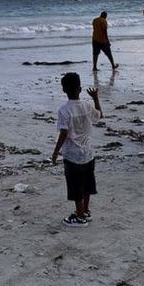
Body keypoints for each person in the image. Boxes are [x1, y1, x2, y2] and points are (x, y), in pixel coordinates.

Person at [51, 72, 102, 228]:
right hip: (88, 153)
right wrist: (95, 98)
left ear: (63, 90)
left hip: (72, 155)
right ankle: (85, 211)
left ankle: (79, 217)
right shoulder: (86, 106)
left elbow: (64, 133)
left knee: (75, 186)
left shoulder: (64, 110)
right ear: (80, 89)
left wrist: (55, 152)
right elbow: (99, 116)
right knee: (86, 184)